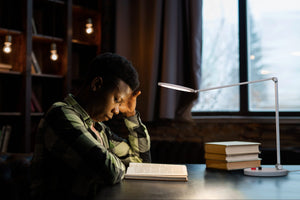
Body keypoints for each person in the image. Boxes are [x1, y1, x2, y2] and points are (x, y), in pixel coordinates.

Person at [30, 53, 151, 200]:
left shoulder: (99, 127)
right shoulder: (60, 115)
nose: (117, 110)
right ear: (96, 85)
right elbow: (108, 170)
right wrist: (120, 164)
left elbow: (142, 164)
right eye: (116, 100)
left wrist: (131, 115)